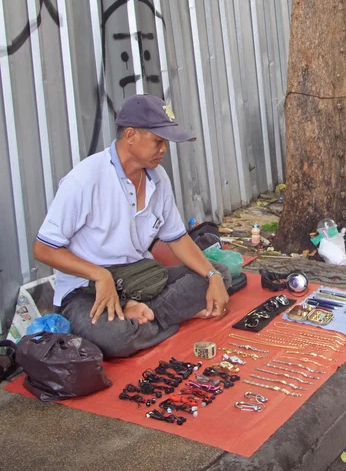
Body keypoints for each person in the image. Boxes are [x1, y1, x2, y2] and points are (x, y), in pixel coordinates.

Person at [34, 94, 232, 358]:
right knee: (116, 338)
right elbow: (44, 249)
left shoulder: (158, 178)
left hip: (139, 278)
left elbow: (177, 238)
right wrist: (100, 275)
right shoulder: (84, 181)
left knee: (221, 274)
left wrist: (212, 277)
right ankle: (156, 315)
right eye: (158, 141)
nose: (164, 149)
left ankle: (142, 313)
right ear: (130, 136)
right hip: (87, 288)